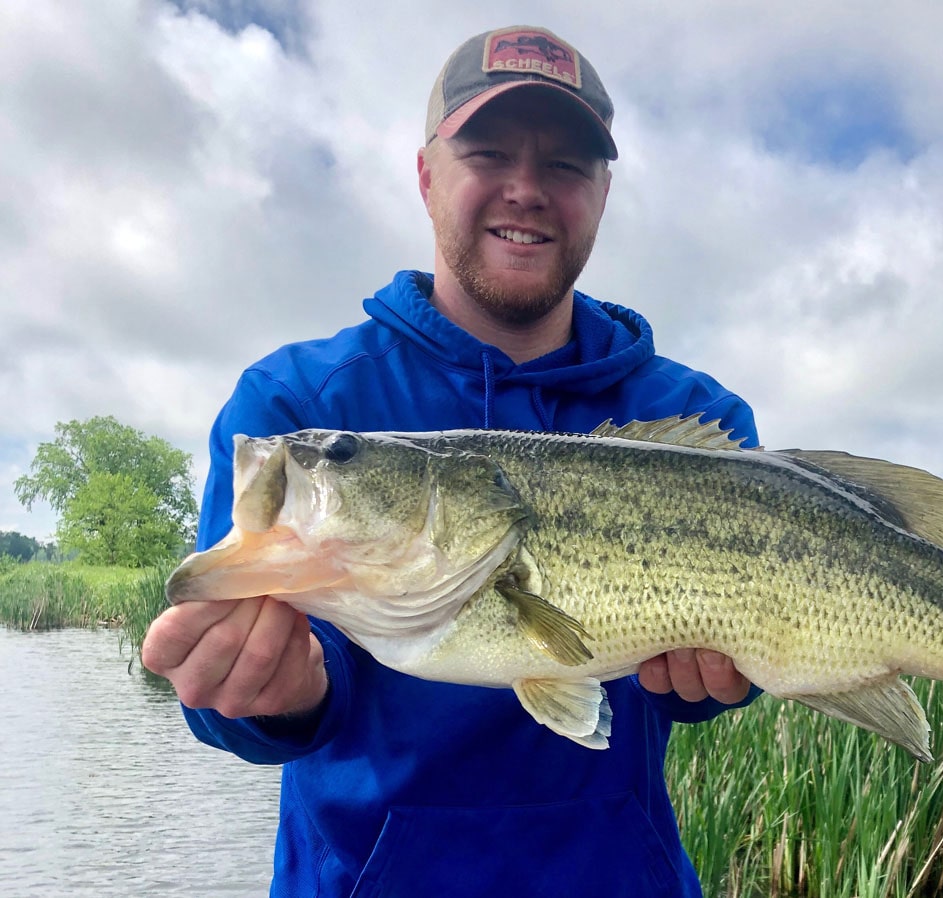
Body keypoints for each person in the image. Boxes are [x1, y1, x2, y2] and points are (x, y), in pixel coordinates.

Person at [143, 25, 759, 897]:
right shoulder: (296, 407)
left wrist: (708, 686)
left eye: (566, 166)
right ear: (427, 174)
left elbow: (722, 672)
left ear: (603, 194)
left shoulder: (698, 422)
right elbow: (240, 707)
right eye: (489, 151)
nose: (526, 189)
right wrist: (274, 695)